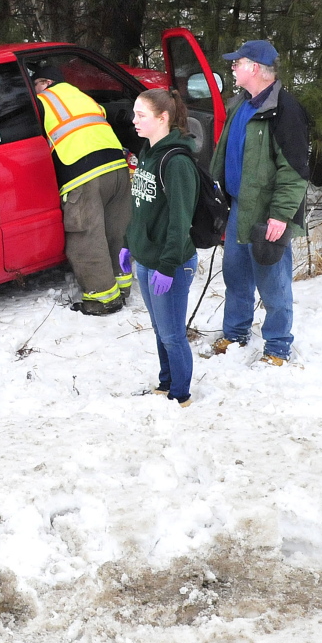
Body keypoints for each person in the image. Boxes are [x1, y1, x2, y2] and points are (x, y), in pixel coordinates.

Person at [209, 40, 310, 366]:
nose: (233, 69)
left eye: (237, 63)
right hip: (239, 206)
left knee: (273, 283)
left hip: (268, 214)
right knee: (235, 276)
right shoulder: (242, 103)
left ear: (254, 67)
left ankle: (278, 347)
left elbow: (294, 171)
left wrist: (281, 215)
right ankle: (236, 333)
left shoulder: (285, 110)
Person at [121, 89, 199, 407]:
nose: (134, 120)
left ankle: (180, 394)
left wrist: (168, 265)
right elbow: (140, 207)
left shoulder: (176, 162)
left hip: (172, 262)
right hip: (147, 258)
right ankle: (165, 384)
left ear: (162, 118)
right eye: (135, 113)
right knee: (159, 329)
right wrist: (129, 244)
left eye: (141, 115)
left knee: (172, 334)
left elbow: (180, 222)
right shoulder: (148, 153)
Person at [32, 66, 132, 315]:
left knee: (87, 237)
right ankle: (123, 288)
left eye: (34, 84)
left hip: (83, 173)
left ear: (45, 82)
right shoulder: (82, 96)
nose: (32, 91)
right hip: (117, 168)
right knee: (116, 232)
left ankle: (102, 299)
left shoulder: (43, 101)